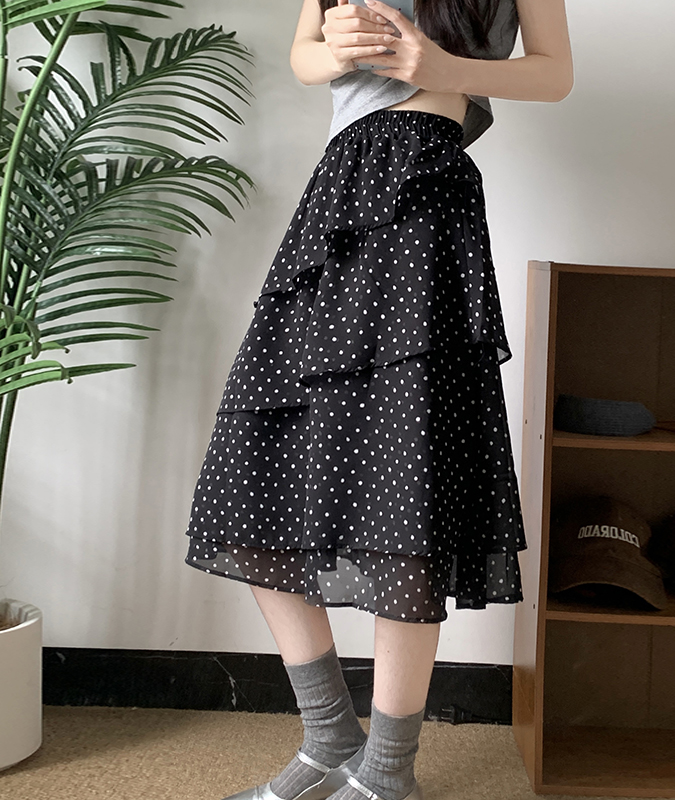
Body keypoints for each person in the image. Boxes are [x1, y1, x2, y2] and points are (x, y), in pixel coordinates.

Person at [183, 1, 573, 798]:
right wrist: (334, 52)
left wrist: (444, 69)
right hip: (337, 188)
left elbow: (555, 72)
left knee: (405, 479)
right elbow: (303, 53)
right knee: (252, 474)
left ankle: (389, 771)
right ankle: (330, 736)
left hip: (426, 187)